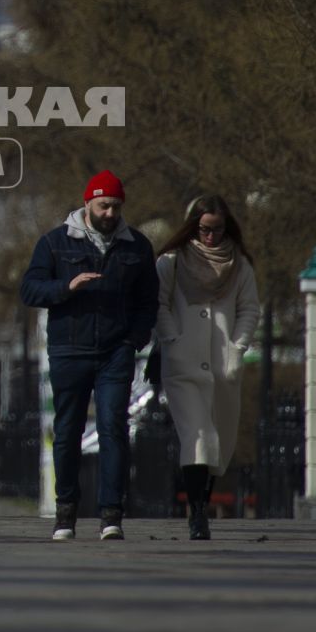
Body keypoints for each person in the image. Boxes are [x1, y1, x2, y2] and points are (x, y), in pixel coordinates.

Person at [19, 170, 160, 541]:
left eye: (116, 206)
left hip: (116, 351)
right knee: (67, 431)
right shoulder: (54, 243)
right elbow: (30, 289)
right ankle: (65, 512)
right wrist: (67, 287)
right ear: (88, 204)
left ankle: (111, 514)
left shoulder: (137, 247)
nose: (110, 213)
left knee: (114, 427)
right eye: (103, 206)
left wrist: (134, 339)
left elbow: (149, 301)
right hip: (69, 349)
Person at [148, 194, 262, 540]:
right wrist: (172, 338)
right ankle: (198, 512)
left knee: (219, 442)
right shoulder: (172, 262)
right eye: (204, 229)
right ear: (191, 226)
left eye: (217, 229)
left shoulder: (239, 264)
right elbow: (159, 304)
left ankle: (201, 505)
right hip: (183, 365)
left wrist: (238, 346)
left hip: (222, 365)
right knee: (199, 437)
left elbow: (249, 310)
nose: (211, 237)